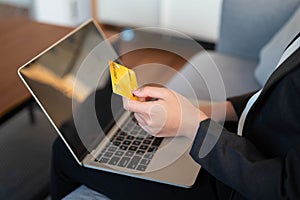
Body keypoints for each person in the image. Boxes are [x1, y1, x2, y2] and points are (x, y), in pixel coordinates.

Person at [51, 33, 300, 199]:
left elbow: (287, 189)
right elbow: (281, 100)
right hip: (239, 144)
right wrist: (211, 110)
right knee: (111, 111)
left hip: (235, 182)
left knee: (67, 149)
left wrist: (192, 126)